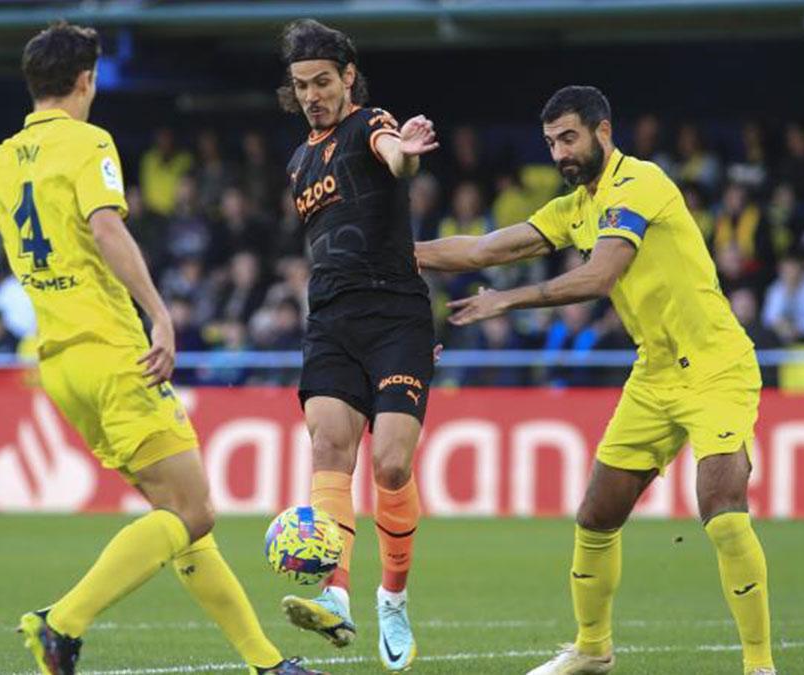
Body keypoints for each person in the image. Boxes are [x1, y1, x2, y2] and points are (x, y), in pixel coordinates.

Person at [0, 22, 322, 675]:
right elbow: (107, 226)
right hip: (116, 354)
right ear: (86, 81)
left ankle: (265, 663)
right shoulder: (90, 143)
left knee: (174, 518)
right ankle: (60, 622)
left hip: (59, 366)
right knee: (195, 510)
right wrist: (160, 313)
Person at [415, 86, 776, 675]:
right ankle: (592, 650)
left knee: (722, 507)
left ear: (603, 131)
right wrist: (401, 254)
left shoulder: (642, 184)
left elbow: (601, 275)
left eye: (569, 138)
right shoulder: (575, 207)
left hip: (716, 366)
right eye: (551, 142)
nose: (560, 152)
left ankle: (759, 666)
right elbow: (483, 249)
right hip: (654, 373)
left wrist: (508, 300)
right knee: (596, 515)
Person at [275, 18, 439, 671]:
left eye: (322, 81)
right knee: (329, 446)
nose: (313, 94)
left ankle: (392, 596)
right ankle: (335, 593)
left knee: (392, 466)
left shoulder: (371, 121)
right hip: (332, 321)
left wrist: (409, 150)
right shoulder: (297, 162)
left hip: (397, 313)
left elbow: (393, 155)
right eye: (301, 85)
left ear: (347, 76)